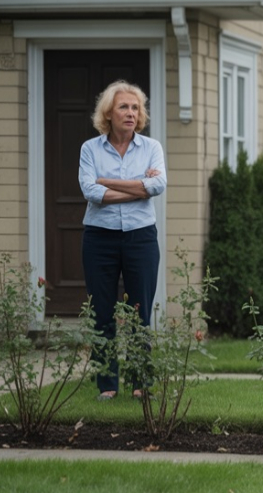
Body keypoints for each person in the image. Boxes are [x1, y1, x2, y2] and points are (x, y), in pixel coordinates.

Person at [78, 80, 166, 401]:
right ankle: (107, 385)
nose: (131, 113)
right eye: (123, 107)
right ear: (109, 114)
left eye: (135, 108)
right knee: (102, 312)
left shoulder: (152, 148)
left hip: (141, 238)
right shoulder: (90, 149)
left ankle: (140, 384)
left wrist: (108, 182)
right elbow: (91, 192)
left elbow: (156, 188)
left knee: (139, 313)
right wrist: (137, 186)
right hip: (99, 239)